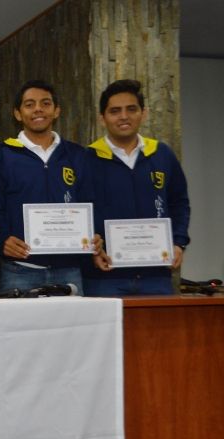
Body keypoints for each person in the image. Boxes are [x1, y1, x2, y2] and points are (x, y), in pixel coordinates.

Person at [0, 80, 95, 294]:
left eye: (45, 103)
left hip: (70, 270)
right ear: (18, 113)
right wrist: (2, 239)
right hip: (19, 270)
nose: (38, 109)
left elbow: (92, 202)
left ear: (56, 111)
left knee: (73, 328)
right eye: (29, 104)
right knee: (17, 328)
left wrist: (96, 233)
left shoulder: (77, 155)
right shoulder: (3, 156)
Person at [84, 79, 190, 295]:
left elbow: (179, 203)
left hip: (156, 276)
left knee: (159, 330)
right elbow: (78, 211)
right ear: (102, 118)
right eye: (115, 111)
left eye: (131, 109)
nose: (124, 116)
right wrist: (91, 250)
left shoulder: (162, 154)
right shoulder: (86, 158)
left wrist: (178, 243)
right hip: (104, 277)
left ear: (144, 113)